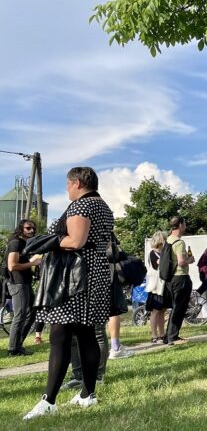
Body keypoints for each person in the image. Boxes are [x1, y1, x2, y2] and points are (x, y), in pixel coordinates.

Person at [24, 167, 114, 419]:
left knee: (60, 335)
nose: (66, 189)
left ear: (77, 183)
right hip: (92, 272)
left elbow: (76, 241)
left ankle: (48, 401)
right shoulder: (103, 206)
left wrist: (50, 240)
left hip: (75, 277)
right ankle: (88, 394)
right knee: (85, 333)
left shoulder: (80, 207)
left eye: (67, 185)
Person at [5, 219, 42, 356]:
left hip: (24, 282)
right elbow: (12, 266)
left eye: (32, 228)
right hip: (17, 283)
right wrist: (33, 263)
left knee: (32, 313)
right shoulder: (16, 243)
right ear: (21, 228)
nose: (31, 230)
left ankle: (17, 344)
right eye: (28, 228)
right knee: (20, 316)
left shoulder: (24, 243)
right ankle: (13, 349)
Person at [164, 216, 195, 345]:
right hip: (181, 277)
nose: (185, 227)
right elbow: (181, 262)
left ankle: (168, 336)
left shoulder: (168, 240)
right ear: (181, 225)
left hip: (170, 278)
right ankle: (173, 337)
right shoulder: (179, 242)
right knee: (179, 308)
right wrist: (190, 260)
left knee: (175, 307)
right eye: (185, 224)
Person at [145, 230, 170, 343]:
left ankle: (162, 333)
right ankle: (154, 335)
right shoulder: (152, 253)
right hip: (155, 286)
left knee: (162, 310)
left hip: (164, 285)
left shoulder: (164, 252)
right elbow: (157, 265)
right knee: (155, 310)